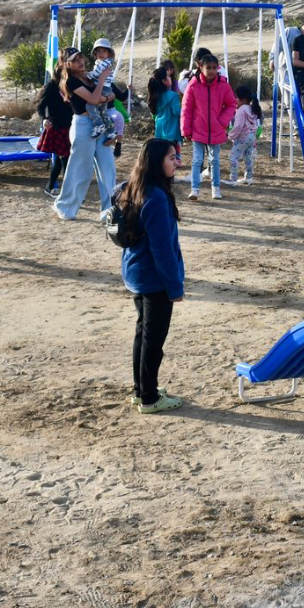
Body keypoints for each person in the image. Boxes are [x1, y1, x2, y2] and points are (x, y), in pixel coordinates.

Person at [119, 138, 185, 415]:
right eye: (172, 158)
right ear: (157, 161)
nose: (177, 162)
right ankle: (149, 398)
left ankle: (141, 390)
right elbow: (162, 250)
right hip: (153, 279)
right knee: (153, 342)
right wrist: (174, 287)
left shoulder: (134, 187)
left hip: (136, 272)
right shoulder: (156, 198)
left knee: (143, 335)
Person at [53, 47, 125, 221]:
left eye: (81, 58)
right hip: (83, 126)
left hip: (100, 122)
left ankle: (109, 210)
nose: (81, 62)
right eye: (75, 60)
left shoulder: (89, 76)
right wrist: (102, 86)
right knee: (81, 170)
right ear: (67, 64)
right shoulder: (70, 81)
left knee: (108, 167)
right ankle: (65, 206)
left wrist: (104, 94)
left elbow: (111, 94)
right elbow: (93, 99)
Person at [180, 54, 237, 200]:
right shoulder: (193, 85)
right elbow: (186, 109)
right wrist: (185, 130)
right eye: (208, 67)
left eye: (214, 68)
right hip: (198, 129)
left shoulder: (223, 85)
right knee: (197, 160)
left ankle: (215, 188)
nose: (211, 71)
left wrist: (222, 121)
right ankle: (195, 189)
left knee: (215, 160)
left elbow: (231, 104)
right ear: (200, 67)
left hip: (216, 130)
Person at [37, 58, 73, 198]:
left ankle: (50, 186)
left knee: (59, 160)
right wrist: (44, 120)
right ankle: (68, 193)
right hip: (57, 128)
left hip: (70, 127)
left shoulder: (70, 85)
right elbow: (40, 106)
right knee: (65, 160)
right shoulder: (51, 86)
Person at [85, 38, 122, 147]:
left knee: (90, 106)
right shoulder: (102, 62)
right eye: (99, 51)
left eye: (104, 51)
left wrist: (86, 75)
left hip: (103, 89)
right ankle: (111, 131)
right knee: (103, 112)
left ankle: (99, 124)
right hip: (106, 89)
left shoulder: (104, 63)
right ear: (95, 53)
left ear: (109, 53)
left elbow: (95, 73)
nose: (101, 54)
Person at [223, 84, 262, 187]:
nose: (235, 100)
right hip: (251, 137)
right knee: (248, 157)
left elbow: (238, 127)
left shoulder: (241, 110)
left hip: (242, 138)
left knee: (233, 158)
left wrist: (230, 136)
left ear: (241, 98)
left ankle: (233, 179)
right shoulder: (252, 108)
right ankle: (248, 177)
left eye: (236, 97)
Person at [148, 66, 182, 163]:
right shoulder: (173, 95)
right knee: (171, 155)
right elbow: (177, 112)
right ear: (164, 81)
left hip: (159, 129)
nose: (170, 78)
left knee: (162, 156)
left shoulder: (155, 96)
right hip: (172, 130)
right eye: (168, 76)